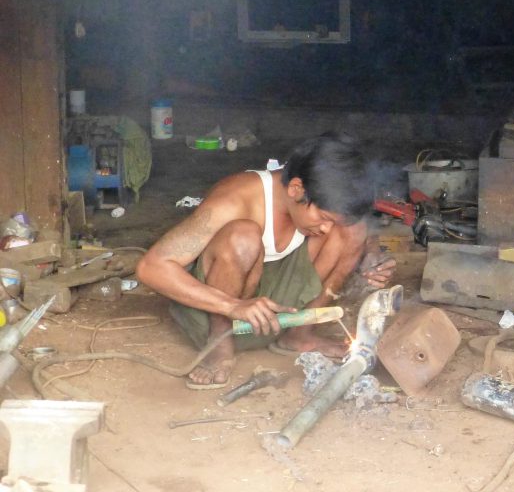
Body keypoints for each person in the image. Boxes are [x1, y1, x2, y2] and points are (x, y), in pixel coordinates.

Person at [136, 135, 396, 389]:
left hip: (272, 314)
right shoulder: (234, 199)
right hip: (217, 314)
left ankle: (299, 334)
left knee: (353, 228)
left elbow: (348, 222)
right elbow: (152, 267)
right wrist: (232, 306)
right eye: (323, 217)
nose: (326, 229)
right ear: (296, 189)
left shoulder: (312, 209)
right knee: (243, 236)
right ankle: (219, 346)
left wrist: (368, 252)